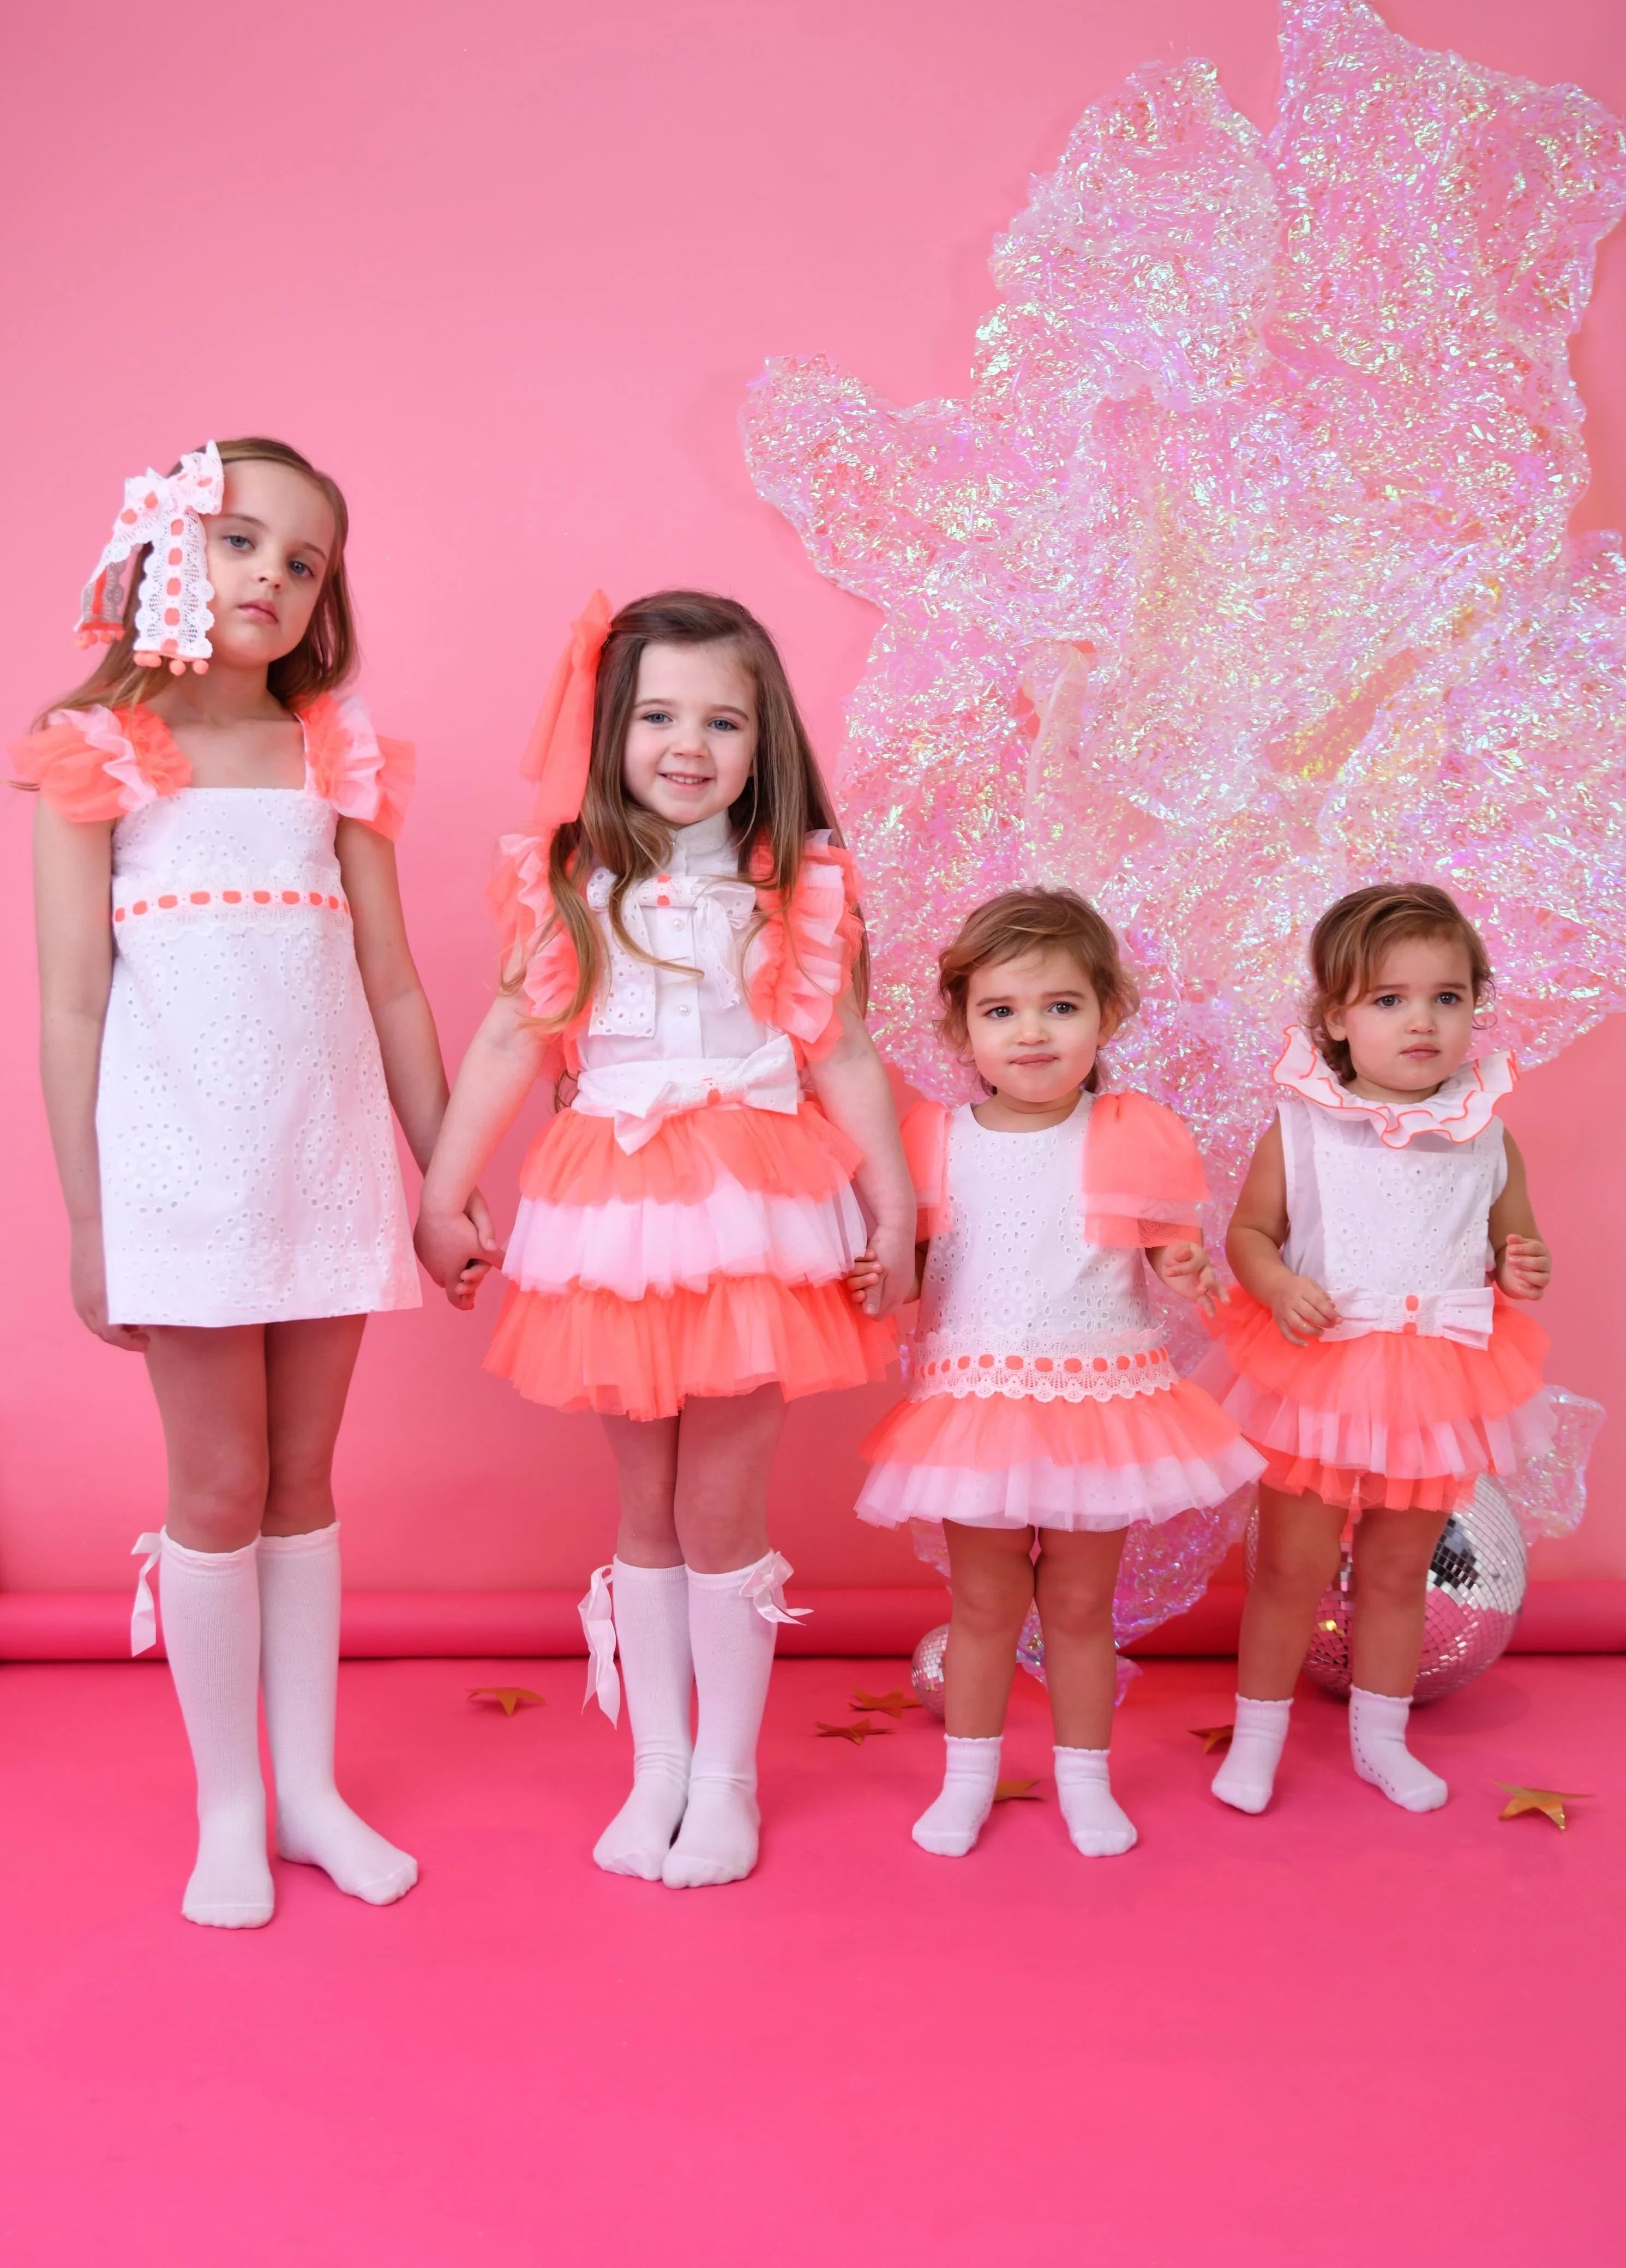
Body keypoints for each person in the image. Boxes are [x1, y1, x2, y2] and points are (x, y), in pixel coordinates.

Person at [17, 437, 489, 1927]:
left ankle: (313, 1794)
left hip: (326, 1163)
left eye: (304, 562)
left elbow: (397, 987)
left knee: (303, 1486)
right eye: (242, 542)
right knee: (216, 1489)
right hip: (184, 1186)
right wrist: (92, 1226)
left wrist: (440, 1180)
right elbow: (74, 1006)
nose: (273, 580)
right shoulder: (92, 759)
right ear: (165, 546)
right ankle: (232, 1809)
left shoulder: (328, 753)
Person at [416, 589, 914, 1887]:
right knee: (642, 1501)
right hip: (616, 1212)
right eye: (657, 714)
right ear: (608, 727)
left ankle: (729, 1782)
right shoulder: (570, 882)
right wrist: (445, 1191)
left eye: (722, 720)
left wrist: (898, 1205)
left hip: (755, 1205)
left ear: (765, 744)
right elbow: (510, 1043)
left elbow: (846, 1052)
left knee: (719, 1497)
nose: (688, 744)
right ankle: (659, 1772)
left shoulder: (792, 887)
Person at [854, 889, 1262, 1859]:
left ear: (1106, 1012)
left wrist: (1188, 1267)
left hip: (1100, 1404)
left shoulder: (1133, 1129)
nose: (1030, 1033)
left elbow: (1166, 1249)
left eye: (1059, 1007)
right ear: (960, 1026)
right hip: (977, 1408)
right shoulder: (930, 1139)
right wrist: (880, 1277)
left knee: (1080, 1608)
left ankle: (1085, 1777)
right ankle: (969, 1779)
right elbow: (911, 1271)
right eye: (1001, 1012)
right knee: (984, 1606)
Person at [1201, 884, 1551, 1816]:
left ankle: (1380, 1738)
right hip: (1323, 1368)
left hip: (1433, 1376)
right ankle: (1258, 1737)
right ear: (1336, 1018)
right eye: (1389, 1000)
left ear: (1475, 1005)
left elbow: (1509, 1244)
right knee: (1289, 1567)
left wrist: (1522, 1267)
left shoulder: (1487, 1136)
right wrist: (1275, 1286)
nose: (1422, 1022)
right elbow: (1248, 1234)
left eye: (1447, 997)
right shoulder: (1304, 1125)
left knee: (1400, 1569)